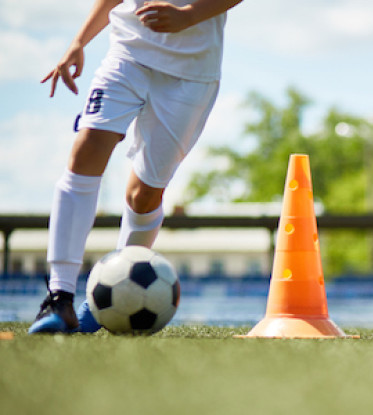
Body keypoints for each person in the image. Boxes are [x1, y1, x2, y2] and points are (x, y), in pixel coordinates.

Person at [29, 0, 242, 334]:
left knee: (144, 195)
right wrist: (79, 41)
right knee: (86, 150)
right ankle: (60, 298)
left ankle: (108, 300)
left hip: (192, 73)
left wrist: (189, 15)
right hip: (128, 53)